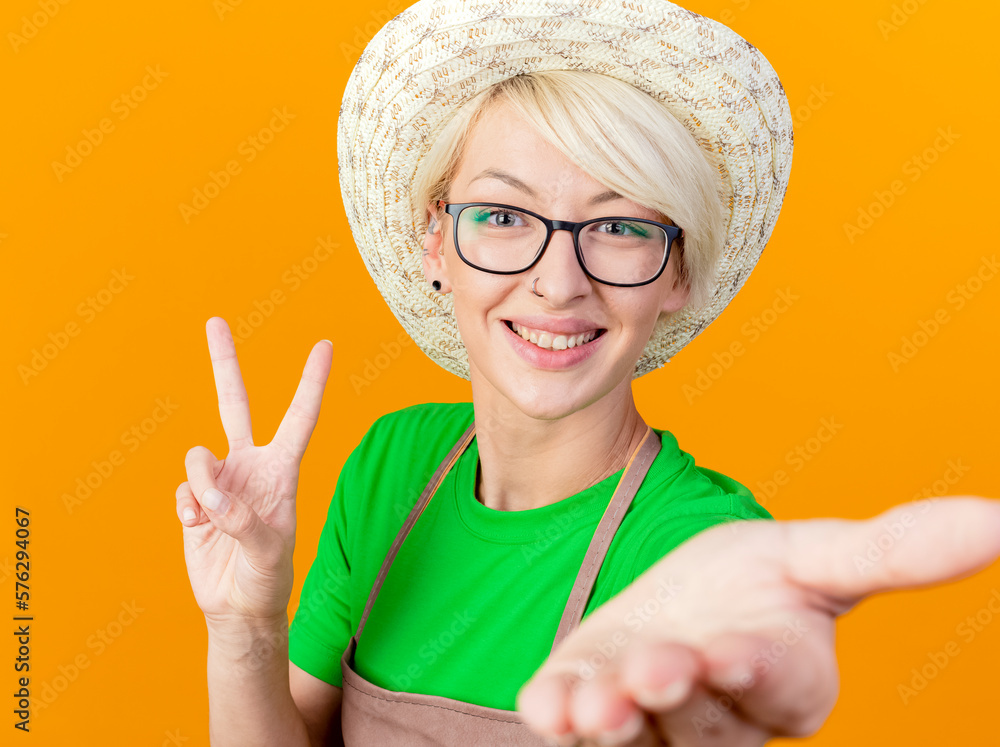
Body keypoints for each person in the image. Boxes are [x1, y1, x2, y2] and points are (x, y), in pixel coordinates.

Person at [174, 1, 1000, 745]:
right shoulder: (391, 463)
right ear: (436, 240)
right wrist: (243, 624)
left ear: (677, 274)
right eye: (501, 215)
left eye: (618, 226)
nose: (559, 281)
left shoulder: (699, 545)